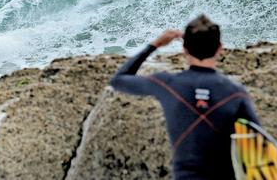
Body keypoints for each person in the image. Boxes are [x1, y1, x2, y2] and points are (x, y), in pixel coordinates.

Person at [110, 15, 260, 180]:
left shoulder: (168, 84)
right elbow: (260, 142)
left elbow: (118, 80)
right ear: (219, 48)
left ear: (184, 49)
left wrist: (155, 45)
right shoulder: (235, 93)